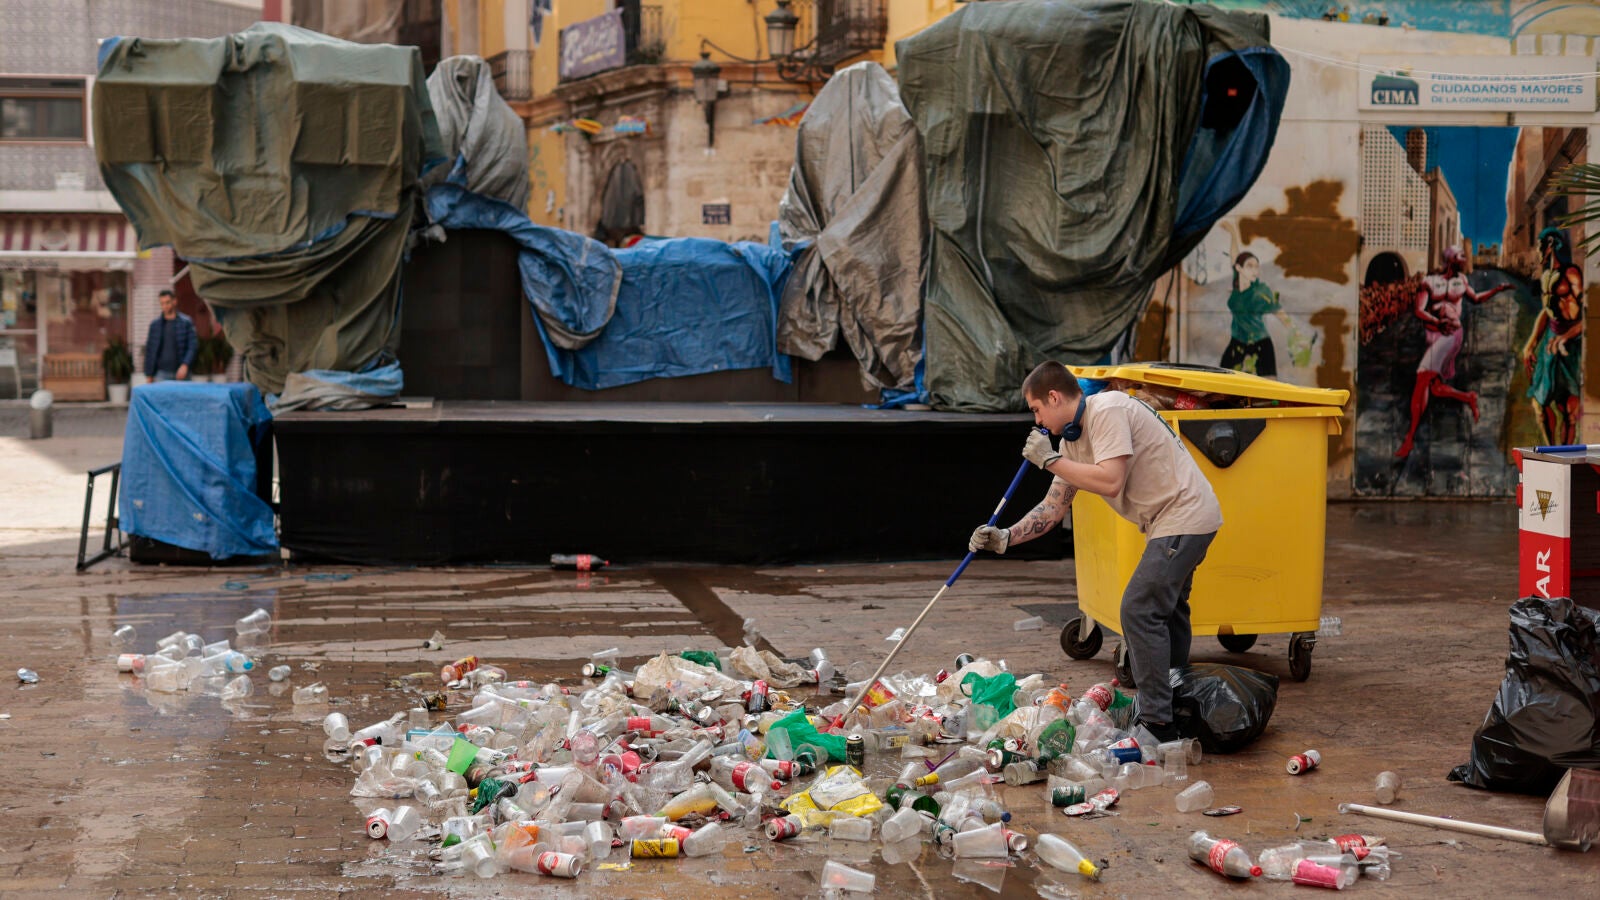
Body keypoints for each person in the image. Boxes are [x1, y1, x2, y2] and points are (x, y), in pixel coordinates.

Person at [969, 361, 1223, 742]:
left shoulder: (1108, 410)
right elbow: (1052, 509)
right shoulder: (1072, 441)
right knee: (1167, 612)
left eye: (1037, 409)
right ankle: (1174, 704)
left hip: (1184, 516)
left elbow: (1110, 479)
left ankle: (1158, 724)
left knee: (1139, 609)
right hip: (1174, 521)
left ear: (1054, 397)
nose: (1036, 420)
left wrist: (1050, 460)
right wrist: (1004, 537)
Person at [1395, 246, 1511, 459]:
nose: (1465, 259)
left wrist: (1497, 290)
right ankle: (1468, 398)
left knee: (1422, 379)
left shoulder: (1462, 281)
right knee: (1435, 387)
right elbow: (1419, 309)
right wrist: (1435, 321)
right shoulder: (1430, 282)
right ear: (1450, 259)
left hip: (1451, 335)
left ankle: (1409, 439)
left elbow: (1476, 298)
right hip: (1433, 334)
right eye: (1461, 256)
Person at [1522, 227, 1585, 446]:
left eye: (1540, 246)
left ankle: (1565, 456)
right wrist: (1531, 344)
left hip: (1571, 346)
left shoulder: (1572, 274)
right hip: (1550, 341)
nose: (1538, 251)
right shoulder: (1547, 275)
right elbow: (1547, 312)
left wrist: (1566, 336)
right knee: (1540, 404)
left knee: (1568, 409)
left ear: (1550, 245)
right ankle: (1550, 452)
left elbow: (1589, 314)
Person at [1217, 220, 1294, 377]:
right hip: (1238, 342)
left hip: (1260, 342)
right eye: (1250, 266)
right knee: (1222, 379)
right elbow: (1235, 256)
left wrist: (1295, 333)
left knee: (1269, 385)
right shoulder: (1237, 285)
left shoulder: (1260, 291)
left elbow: (1279, 312)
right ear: (1239, 268)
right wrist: (1233, 233)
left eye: (1256, 266)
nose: (1255, 271)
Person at [143, 289, 196, 382]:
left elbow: (192, 346)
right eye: (162, 303)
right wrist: (149, 374)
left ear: (174, 301)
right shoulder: (155, 325)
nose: (165, 306)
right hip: (161, 374)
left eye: (167, 302)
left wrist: (185, 365)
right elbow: (150, 350)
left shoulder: (186, 322)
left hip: (182, 373)